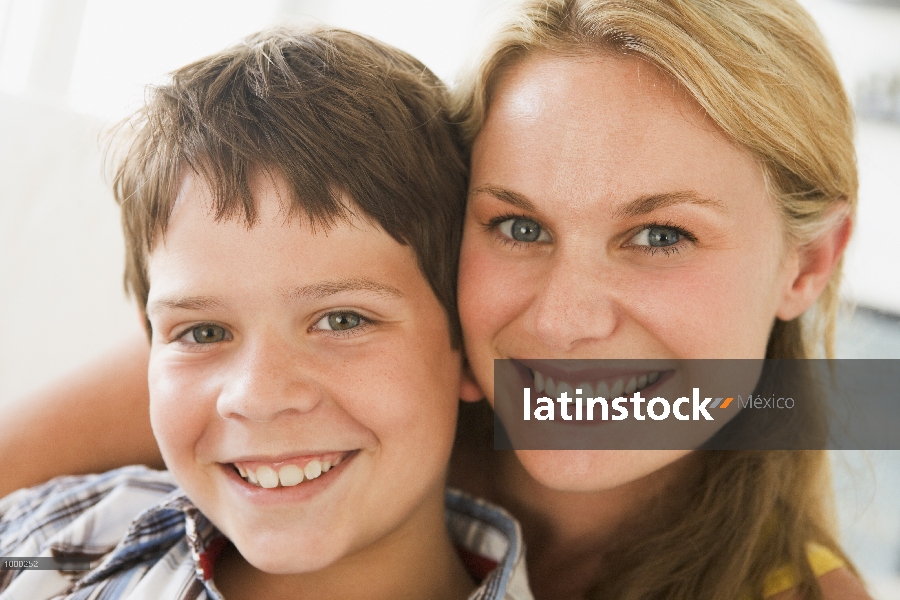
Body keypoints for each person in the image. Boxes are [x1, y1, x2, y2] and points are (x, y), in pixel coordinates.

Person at [0, 1, 873, 599]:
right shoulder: (271, 365)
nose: (566, 319)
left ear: (809, 262)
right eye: (520, 227)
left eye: (661, 236)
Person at [0, 27, 532, 600]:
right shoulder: (56, 544)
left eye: (343, 320)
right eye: (204, 331)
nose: (258, 395)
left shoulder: (626, 427)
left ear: (471, 349)